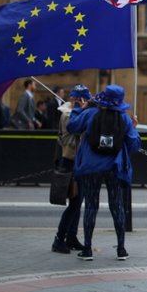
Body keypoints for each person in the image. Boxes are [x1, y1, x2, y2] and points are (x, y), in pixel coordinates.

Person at [66, 84, 141, 261]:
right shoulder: (124, 119)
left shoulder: (90, 113)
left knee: (91, 206)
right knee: (117, 206)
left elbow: (72, 127)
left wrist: (79, 109)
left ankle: (87, 249)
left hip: (91, 167)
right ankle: (121, 249)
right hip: (114, 168)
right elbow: (134, 146)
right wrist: (134, 128)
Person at [51, 84, 91, 255]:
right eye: (85, 99)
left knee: (78, 202)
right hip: (71, 161)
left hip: (79, 162)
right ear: (77, 100)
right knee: (74, 204)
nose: (87, 102)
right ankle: (59, 239)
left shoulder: (77, 112)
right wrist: (81, 110)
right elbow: (76, 128)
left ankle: (71, 237)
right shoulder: (67, 114)